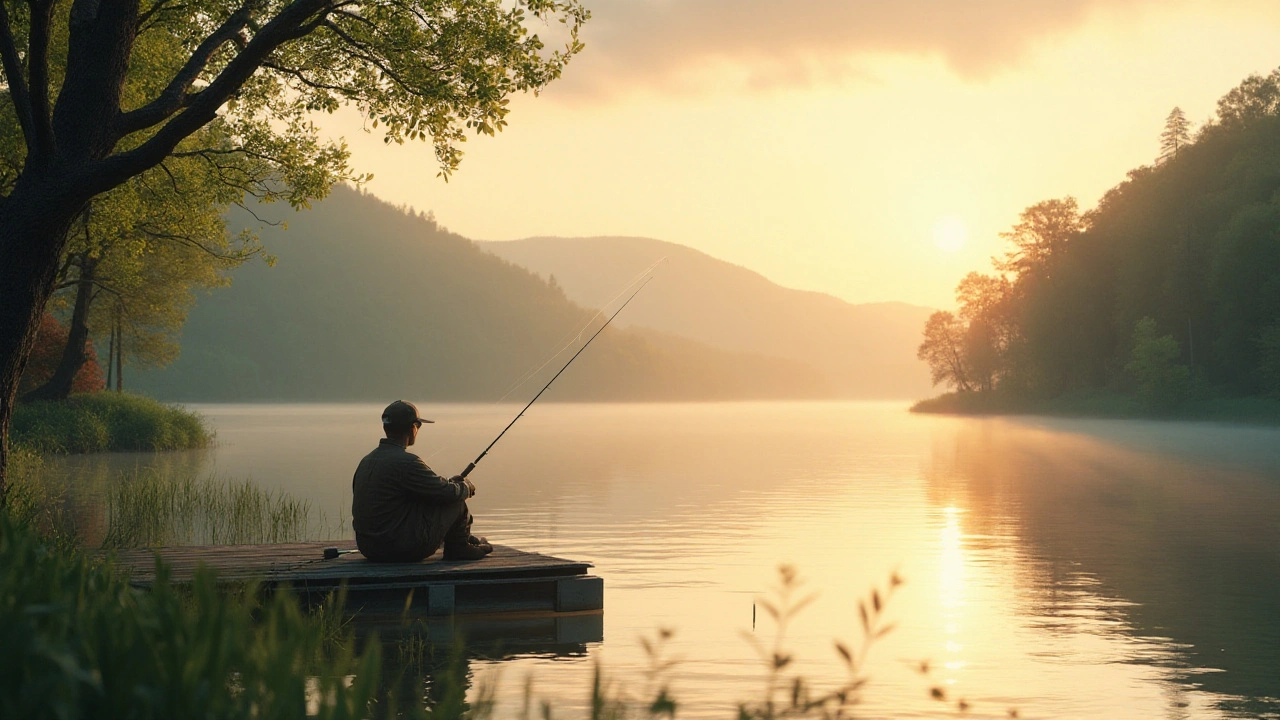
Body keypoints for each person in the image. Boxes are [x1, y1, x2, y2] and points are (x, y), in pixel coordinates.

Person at [352, 400, 493, 562]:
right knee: (456, 501)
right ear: (413, 427)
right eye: (418, 425)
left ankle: (464, 541)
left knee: (443, 495)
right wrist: (466, 487)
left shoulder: (367, 461)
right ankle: (459, 548)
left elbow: (419, 490)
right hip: (397, 549)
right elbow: (447, 493)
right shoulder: (407, 462)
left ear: (386, 427)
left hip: (369, 548)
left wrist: (448, 483)